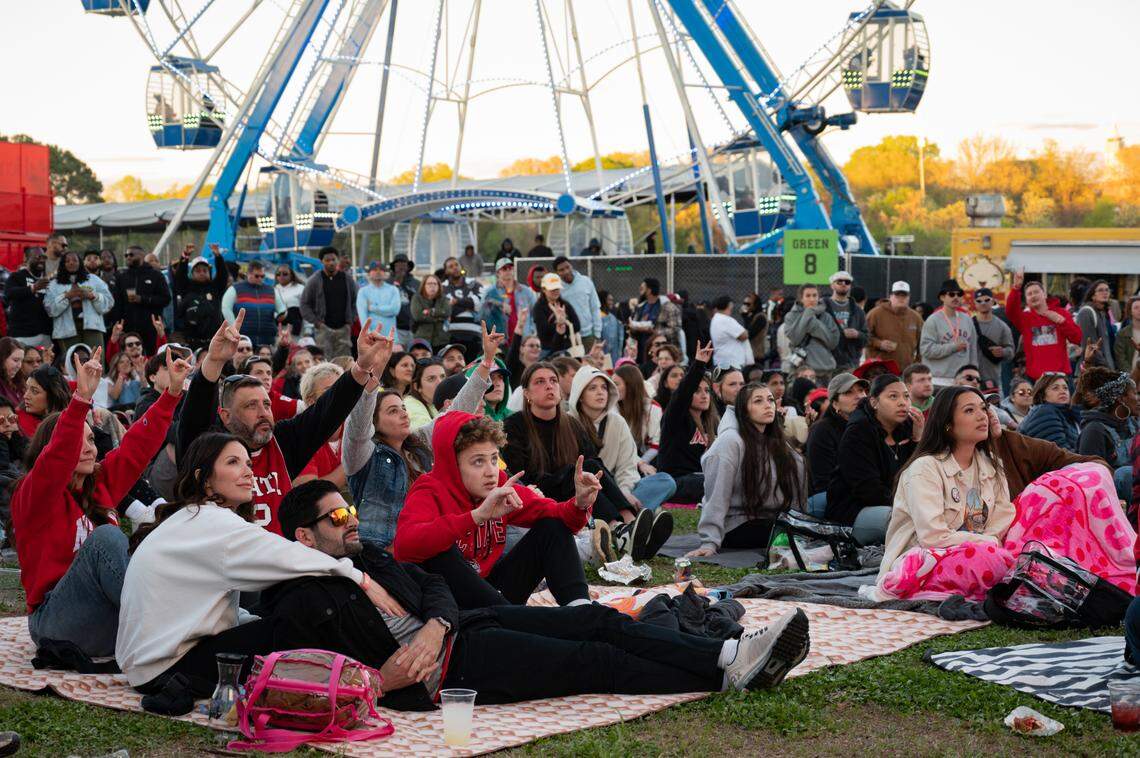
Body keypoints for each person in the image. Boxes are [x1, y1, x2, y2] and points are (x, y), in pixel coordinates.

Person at [255, 480, 813, 709]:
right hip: (441, 675)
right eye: (339, 516)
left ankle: (726, 655)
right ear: (304, 536)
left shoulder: (366, 555)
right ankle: (723, 674)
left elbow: (431, 587)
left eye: (351, 509)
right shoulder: (299, 596)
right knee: (594, 661)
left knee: (599, 621)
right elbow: (294, 676)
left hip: (461, 628)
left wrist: (437, 621)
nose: (352, 520)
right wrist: (378, 682)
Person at [115, 434, 381, 697]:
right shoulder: (212, 523)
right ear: (204, 479)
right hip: (169, 669)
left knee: (284, 615)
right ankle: (372, 677)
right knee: (307, 604)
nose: (247, 472)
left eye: (248, 464)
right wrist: (361, 579)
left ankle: (359, 675)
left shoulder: (195, 518)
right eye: (233, 462)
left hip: (151, 667)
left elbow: (204, 611)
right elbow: (290, 556)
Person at [874, 387, 1135, 601]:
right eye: (970, 410)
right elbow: (932, 536)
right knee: (988, 561)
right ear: (947, 426)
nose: (982, 416)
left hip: (987, 551)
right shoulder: (925, 469)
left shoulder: (991, 465)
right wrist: (988, 545)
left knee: (1060, 503)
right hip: (926, 559)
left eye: (983, 408)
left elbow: (1002, 521)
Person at [13, 347, 188, 658]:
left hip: (102, 620)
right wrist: (79, 401)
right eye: (76, 441)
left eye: (91, 439)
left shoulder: (100, 485)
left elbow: (137, 447)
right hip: (55, 622)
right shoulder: (34, 493)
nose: (88, 448)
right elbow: (57, 458)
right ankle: (167, 624)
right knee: (107, 536)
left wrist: (172, 394)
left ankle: (195, 624)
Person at [175, 309, 394, 535]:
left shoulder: (282, 442)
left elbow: (327, 411)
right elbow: (194, 417)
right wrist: (214, 361)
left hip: (281, 562)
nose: (263, 413)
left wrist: (360, 368)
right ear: (226, 416)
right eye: (251, 405)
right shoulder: (207, 449)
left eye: (267, 405)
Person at [393, 412, 594, 609]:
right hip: (449, 603)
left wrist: (580, 503)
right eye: (478, 461)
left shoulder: (497, 482)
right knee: (440, 550)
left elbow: (556, 515)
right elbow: (405, 546)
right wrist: (476, 517)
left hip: (493, 592)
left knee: (552, 527)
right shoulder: (429, 490)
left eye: (493, 459)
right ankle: (515, 621)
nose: (490, 471)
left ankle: (581, 608)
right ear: (452, 464)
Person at [343, 326, 500, 548]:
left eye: (402, 408)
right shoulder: (362, 454)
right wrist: (374, 372)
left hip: (427, 539)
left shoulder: (418, 443)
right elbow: (358, 424)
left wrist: (486, 362)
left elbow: (456, 411)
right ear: (375, 423)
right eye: (392, 411)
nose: (403, 414)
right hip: (383, 549)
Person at [503, 362, 665, 560]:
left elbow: (595, 464)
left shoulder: (571, 423)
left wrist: (619, 491)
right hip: (540, 495)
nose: (549, 386)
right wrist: (570, 476)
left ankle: (629, 525)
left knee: (591, 468)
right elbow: (522, 476)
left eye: (553, 380)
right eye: (540, 382)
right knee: (579, 473)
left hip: (577, 490)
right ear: (527, 393)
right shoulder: (513, 426)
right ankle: (621, 531)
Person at [687, 382, 806, 557]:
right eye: (758, 401)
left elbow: (797, 494)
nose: (767, 405)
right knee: (785, 534)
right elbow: (717, 497)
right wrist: (709, 542)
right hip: (736, 524)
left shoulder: (778, 443)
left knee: (803, 532)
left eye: (770, 400)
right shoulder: (730, 441)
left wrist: (800, 524)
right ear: (743, 409)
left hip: (771, 520)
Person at [826, 374, 924, 544]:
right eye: (893, 396)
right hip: (855, 511)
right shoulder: (858, 432)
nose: (903, 402)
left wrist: (917, 440)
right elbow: (868, 490)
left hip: (898, 504)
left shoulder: (908, 427)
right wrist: (911, 506)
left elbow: (919, 475)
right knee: (907, 521)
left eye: (906, 396)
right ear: (874, 402)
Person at [568, 365, 678, 514]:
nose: (600, 392)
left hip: (618, 487)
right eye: (592, 388)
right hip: (584, 492)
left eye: (604, 388)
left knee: (666, 481)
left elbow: (627, 466)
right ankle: (633, 514)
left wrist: (624, 492)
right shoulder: (568, 422)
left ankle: (625, 513)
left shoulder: (617, 422)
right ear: (580, 394)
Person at [657, 341, 719, 504]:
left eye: (707, 391)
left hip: (702, 478)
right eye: (697, 391)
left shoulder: (712, 422)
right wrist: (698, 364)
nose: (704, 395)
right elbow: (681, 396)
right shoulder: (675, 418)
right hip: (675, 482)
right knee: (713, 481)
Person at [804, 373, 868, 513]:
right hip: (832, 502)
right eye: (848, 392)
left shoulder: (871, 426)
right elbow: (823, 483)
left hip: (866, 496)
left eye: (861, 391)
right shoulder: (822, 431)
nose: (859, 396)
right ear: (835, 404)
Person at [1005, 269, 1082, 381]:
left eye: (1036, 292)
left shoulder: (1061, 313)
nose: (1033, 296)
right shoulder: (1025, 318)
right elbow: (1010, 311)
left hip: (1060, 375)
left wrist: (1062, 322)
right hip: (1036, 377)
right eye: (1029, 294)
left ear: (1044, 294)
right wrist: (1016, 288)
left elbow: (1077, 338)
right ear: (1026, 300)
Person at [1075, 367, 1138, 500]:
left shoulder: (1133, 424)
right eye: (1135, 393)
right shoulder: (1094, 431)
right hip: (1111, 501)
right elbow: (1090, 480)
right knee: (1125, 474)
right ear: (1121, 399)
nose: (1138, 398)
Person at [292, 362, 348, 488]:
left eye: (343, 388)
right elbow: (309, 491)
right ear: (311, 401)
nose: (340, 394)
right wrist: (353, 461)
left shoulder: (355, 428)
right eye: (331, 390)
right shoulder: (297, 436)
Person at [44, 250, 113, 353]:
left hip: (93, 327)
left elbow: (109, 302)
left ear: (80, 263)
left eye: (75, 260)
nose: (71, 263)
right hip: (66, 330)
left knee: (96, 361)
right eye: (67, 261)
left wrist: (92, 296)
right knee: (72, 362)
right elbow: (50, 310)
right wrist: (66, 296)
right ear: (62, 264)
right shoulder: (54, 284)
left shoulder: (93, 279)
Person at [919, 279, 979, 388]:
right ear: (942, 297)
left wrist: (973, 374)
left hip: (963, 380)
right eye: (951, 294)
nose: (956, 297)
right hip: (939, 380)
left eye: (959, 294)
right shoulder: (933, 320)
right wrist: (953, 347)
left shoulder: (967, 319)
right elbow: (926, 350)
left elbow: (973, 350)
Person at [301, 246, 358, 360]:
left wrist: (350, 320)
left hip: (344, 329)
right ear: (322, 261)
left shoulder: (347, 279)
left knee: (345, 363)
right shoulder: (314, 280)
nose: (331, 263)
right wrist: (316, 322)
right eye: (327, 260)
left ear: (338, 260)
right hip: (323, 329)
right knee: (324, 362)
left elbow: (356, 301)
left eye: (333, 259)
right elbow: (304, 304)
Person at [114, 246, 171, 355]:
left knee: (152, 358)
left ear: (141, 256)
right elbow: (118, 303)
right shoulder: (122, 277)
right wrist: (119, 324)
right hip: (128, 328)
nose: (128, 257)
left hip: (151, 328)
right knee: (130, 359)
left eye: (131, 255)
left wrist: (143, 299)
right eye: (126, 255)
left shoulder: (156, 275)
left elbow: (166, 298)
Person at [172, 246, 228, 350]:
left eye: (205, 270)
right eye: (198, 271)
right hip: (191, 342)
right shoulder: (186, 288)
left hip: (213, 341)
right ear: (192, 274)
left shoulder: (215, 288)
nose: (202, 273)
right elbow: (179, 276)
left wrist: (218, 257)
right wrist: (185, 257)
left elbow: (223, 275)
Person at [781, 284, 839, 379]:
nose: (812, 299)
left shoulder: (826, 316)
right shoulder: (791, 316)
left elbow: (832, 342)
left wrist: (813, 321)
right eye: (808, 296)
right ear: (801, 298)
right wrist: (808, 313)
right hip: (801, 370)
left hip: (825, 368)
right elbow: (795, 339)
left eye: (814, 295)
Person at [614, 363, 663, 473]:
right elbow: (618, 446)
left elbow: (656, 445)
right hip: (619, 461)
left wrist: (642, 463)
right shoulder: (612, 407)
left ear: (630, 385)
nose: (612, 388)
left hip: (646, 461)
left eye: (616, 384)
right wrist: (639, 463)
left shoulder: (653, 408)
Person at [222, 260, 282, 348]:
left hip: (268, 340)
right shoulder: (235, 289)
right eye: (257, 276)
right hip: (244, 340)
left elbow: (282, 310)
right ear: (248, 274)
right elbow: (225, 308)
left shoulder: (271, 290)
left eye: (262, 276)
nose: (260, 279)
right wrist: (234, 328)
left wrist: (281, 315)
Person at [1016, 372, 1081, 451]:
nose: (1062, 391)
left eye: (1065, 388)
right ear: (1042, 395)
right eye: (1055, 388)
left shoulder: (1068, 413)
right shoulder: (1043, 412)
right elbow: (1061, 453)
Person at [866, 281, 923, 370]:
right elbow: (863, 337)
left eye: (904, 295)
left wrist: (918, 362)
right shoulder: (875, 314)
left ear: (909, 297)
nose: (901, 298)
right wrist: (879, 344)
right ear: (891, 297)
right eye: (897, 295)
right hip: (879, 369)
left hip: (906, 370)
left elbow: (922, 343)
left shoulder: (916, 317)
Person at [6, 247, 53, 349]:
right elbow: (9, 293)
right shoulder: (17, 276)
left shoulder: (48, 278)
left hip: (45, 335)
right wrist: (33, 288)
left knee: (44, 364)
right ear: (26, 259)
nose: (41, 260)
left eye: (43, 257)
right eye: (37, 257)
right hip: (22, 335)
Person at [552, 257, 601, 350]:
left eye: (567, 267)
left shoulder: (586, 281)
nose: (566, 271)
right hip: (568, 337)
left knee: (592, 364)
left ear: (572, 266)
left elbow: (595, 308)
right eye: (561, 270)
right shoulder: (556, 288)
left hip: (589, 336)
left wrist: (597, 334)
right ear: (556, 273)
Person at [823, 271, 867, 373]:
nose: (843, 284)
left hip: (850, 362)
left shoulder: (857, 310)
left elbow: (866, 338)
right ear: (832, 285)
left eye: (847, 282)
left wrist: (857, 334)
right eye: (839, 281)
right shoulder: (822, 307)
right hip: (827, 361)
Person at [971, 287, 1015, 390]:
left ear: (993, 302)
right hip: (970, 377)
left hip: (992, 378)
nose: (983, 303)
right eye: (979, 301)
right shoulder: (968, 324)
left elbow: (1011, 351)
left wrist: (1003, 352)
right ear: (975, 303)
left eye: (987, 300)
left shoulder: (1002, 326)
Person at [481, 257, 536, 339]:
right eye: (504, 268)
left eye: (510, 268)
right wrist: (498, 304)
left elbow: (534, 313)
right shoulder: (490, 292)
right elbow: (482, 316)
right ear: (498, 273)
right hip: (501, 340)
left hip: (523, 338)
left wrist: (531, 331)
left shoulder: (526, 291)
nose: (508, 271)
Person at [441, 256, 484, 361]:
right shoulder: (442, 287)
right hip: (452, 335)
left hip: (474, 335)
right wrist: (469, 305)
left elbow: (479, 303)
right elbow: (444, 309)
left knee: (472, 370)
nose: (455, 268)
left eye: (457, 265)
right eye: (451, 266)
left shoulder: (474, 283)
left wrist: (456, 302)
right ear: (446, 271)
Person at [630, 278, 681, 357]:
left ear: (649, 290)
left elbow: (675, 329)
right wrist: (633, 328)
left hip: (663, 353)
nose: (640, 289)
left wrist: (655, 332)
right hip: (642, 352)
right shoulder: (641, 307)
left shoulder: (668, 307)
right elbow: (634, 326)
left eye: (642, 287)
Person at [532, 273, 581, 353]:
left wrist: (562, 323)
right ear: (544, 289)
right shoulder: (539, 307)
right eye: (552, 289)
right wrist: (559, 324)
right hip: (548, 350)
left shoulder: (565, 304)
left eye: (557, 288)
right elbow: (543, 332)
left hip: (567, 348)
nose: (556, 291)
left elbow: (577, 326)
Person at [19, 364, 70, 437]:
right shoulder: (20, 422)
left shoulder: (67, 422)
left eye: (34, 391)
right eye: (26, 389)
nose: (25, 396)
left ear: (53, 396)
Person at [1075, 279, 1116, 369]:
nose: (1105, 292)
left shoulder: (1102, 313)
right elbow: (1089, 346)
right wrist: (1107, 367)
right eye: (1100, 290)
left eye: (1107, 290)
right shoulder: (1086, 312)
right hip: (1091, 371)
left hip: (1103, 369)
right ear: (1093, 295)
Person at [356, 261, 401, 338]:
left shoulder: (393, 290)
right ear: (369, 273)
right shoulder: (363, 292)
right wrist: (369, 335)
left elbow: (394, 310)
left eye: (381, 270)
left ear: (385, 273)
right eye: (374, 270)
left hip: (391, 338)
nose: (378, 272)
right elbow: (363, 317)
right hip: (372, 338)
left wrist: (372, 308)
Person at [709, 296, 753, 370]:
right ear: (729, 305)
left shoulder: (716, 319)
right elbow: (744, 335)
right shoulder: (726, 320)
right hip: (732, 363)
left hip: (721, 361)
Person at [403, 359, 446, 430]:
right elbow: (425, 435)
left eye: (442, 377)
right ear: (417, 387)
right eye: (431, 379)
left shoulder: (432, 403)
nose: (440, 383)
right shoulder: (411, 405)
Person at [411, 274, 450, 350]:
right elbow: (418, 316)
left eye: (435, 284)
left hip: (441, 340)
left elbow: (447, 312)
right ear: (423, 285)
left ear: (439, 286)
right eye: (429, 283)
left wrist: (430, 311)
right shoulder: (417, 298)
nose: (432, 286)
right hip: (422, 339)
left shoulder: (443, 298)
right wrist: (439, 318)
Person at [273, 265, 305, 337]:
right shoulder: (273, 289)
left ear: (291, 275)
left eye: (285, 274)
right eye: (278, 274)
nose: (281, 276)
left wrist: (308, 330)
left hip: (295, 329)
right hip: (277, 328)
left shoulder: (300, 288)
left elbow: (307, 309)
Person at [1115, 296, 1140, 372]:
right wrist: (1131, 376)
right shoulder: (1122, 334)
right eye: (1136, 307)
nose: (1139, 310)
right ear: (1130, 311)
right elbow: (1120, 359)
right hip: (1130, 376)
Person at [0, 339, 25, 410]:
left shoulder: (18, 381)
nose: (19, 365)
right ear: (2, 358)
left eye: (21, 361)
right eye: (16, 360)